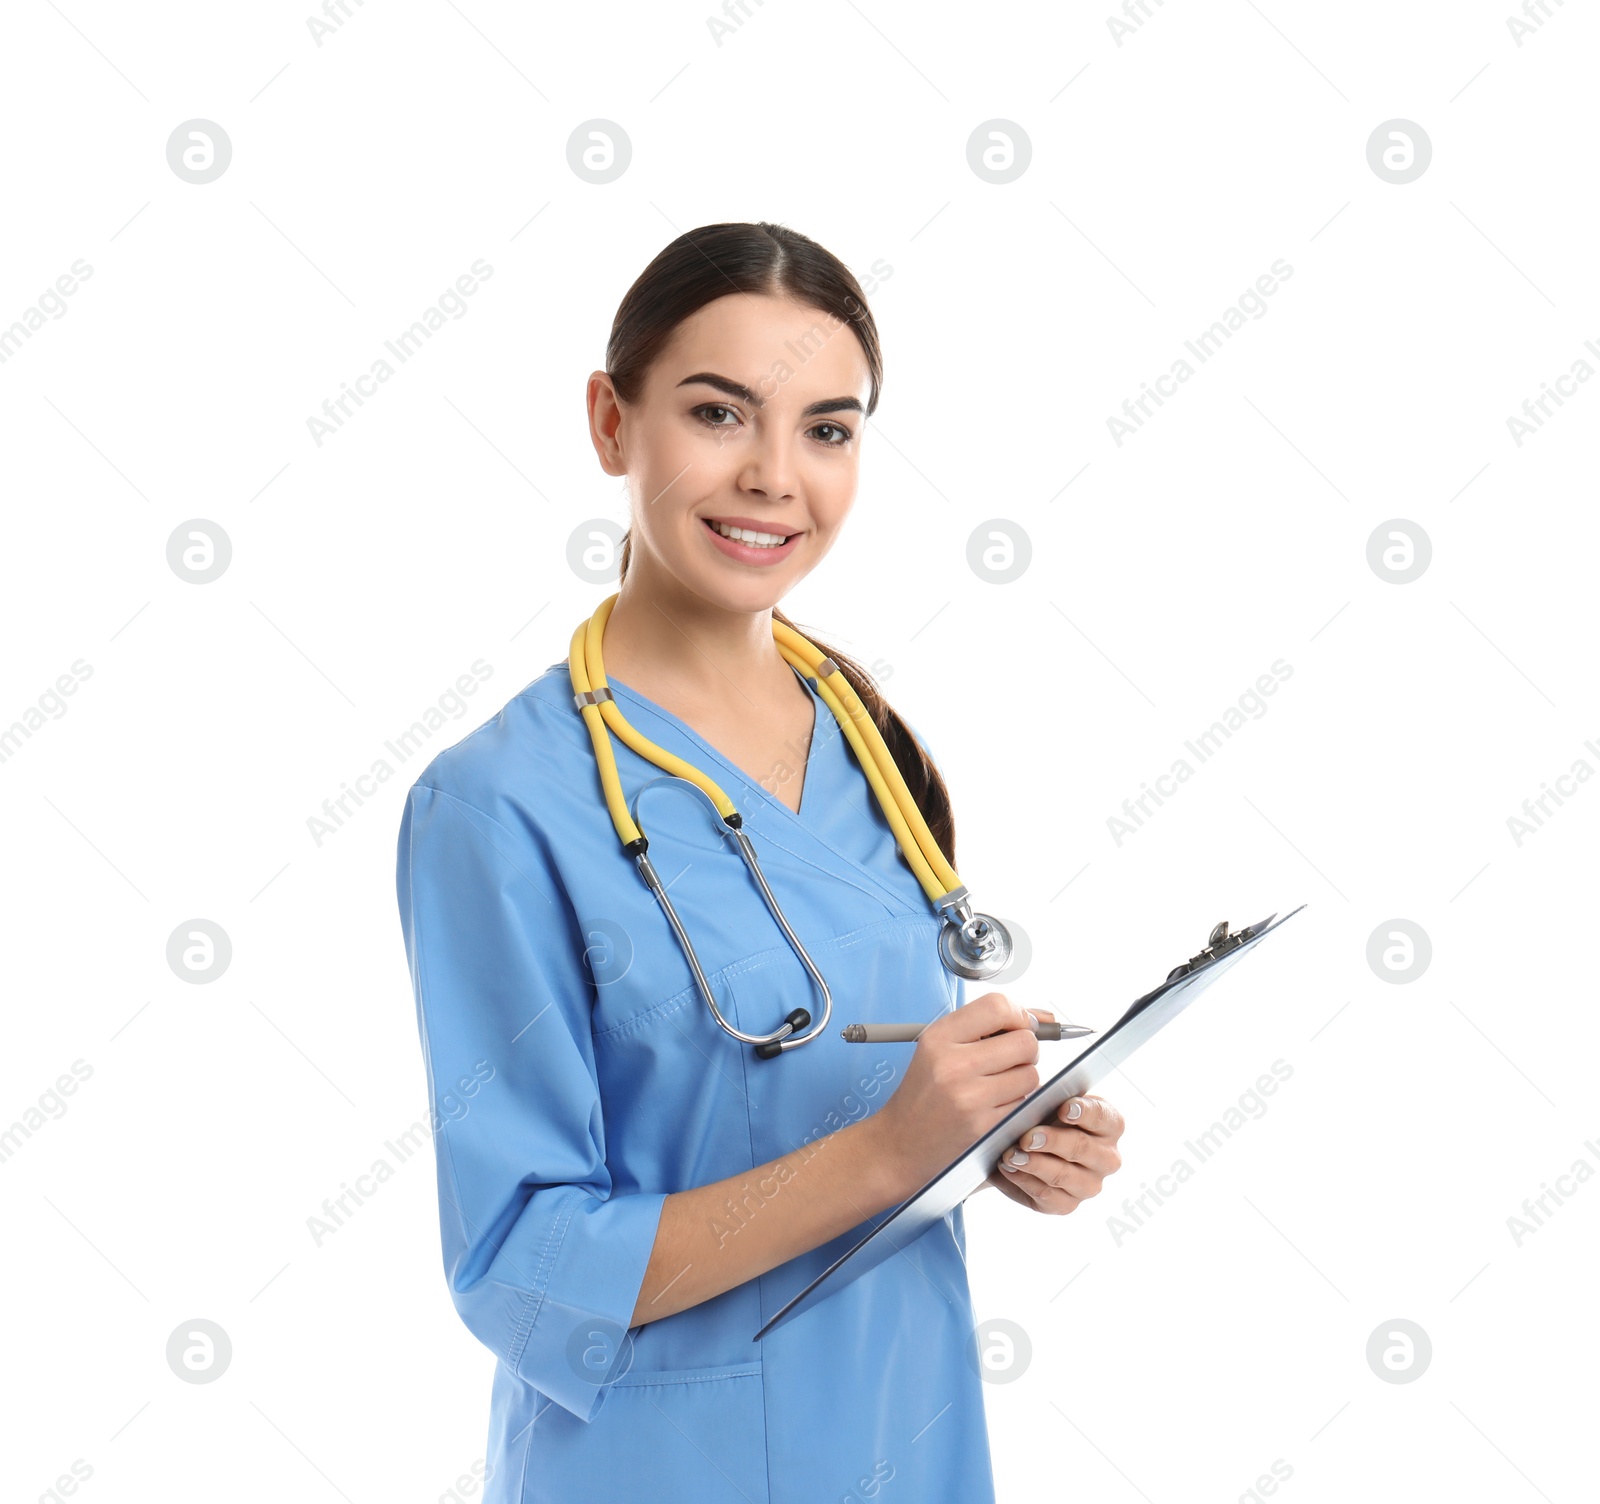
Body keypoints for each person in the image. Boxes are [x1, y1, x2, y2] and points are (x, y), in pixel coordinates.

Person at [394, 220, 1126, 1504]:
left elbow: (854, 1076)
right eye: (719, 414)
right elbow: (518, 1264)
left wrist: (996, 1135)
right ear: (611, 424)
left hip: (910, 1424)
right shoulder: (497, 805)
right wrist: (892, 1151)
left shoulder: (868, 741)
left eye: (828, 429)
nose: (775, 476)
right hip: (660, 1465)